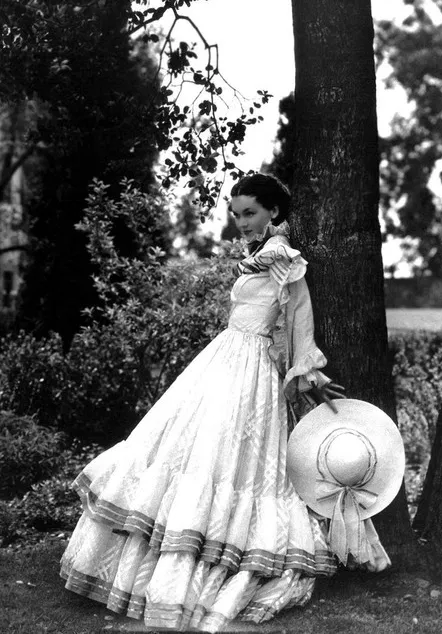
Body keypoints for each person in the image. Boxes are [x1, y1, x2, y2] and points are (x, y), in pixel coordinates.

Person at [60, 173, 375, 631]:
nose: (241, 222)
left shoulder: (283, 258)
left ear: (274, 212)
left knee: (231, 460)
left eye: (250, 213)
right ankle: (171, 560)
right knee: (198, 447)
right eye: (236, 214)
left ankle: (219, 556)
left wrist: (309, 376)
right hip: (224, 359)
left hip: (252, 369)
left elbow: (298, 319)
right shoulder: (256, 256)